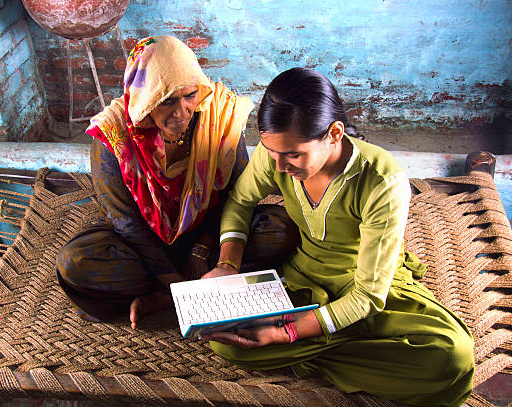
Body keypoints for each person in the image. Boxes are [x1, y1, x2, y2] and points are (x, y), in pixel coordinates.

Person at [201, 68, 474, 407]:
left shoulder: (382, 181)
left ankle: (309, 347)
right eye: (272, 152)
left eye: (293, 155)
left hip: (369, 281)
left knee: (453, 358)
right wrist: (228, 264)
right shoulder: (276, 152)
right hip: (304, 276)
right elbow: (241, 201)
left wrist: (288, 333)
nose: (280, 165)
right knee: (226, 343)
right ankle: (346, 346)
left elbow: (368, 296)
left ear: (334, 133)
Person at [56, 36, 299, 329]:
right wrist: (172, 281)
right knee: (76, 262)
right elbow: (126, 223)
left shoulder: (219, 117)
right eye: (167, 100)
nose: (182, 111)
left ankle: (170, 294)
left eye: (189, 96)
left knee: (283, 227)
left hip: (208, 238)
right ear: (144, 99)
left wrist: (203, 249)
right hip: (142, 248)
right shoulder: (114, 135)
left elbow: (237, 197)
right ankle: (182, 293)